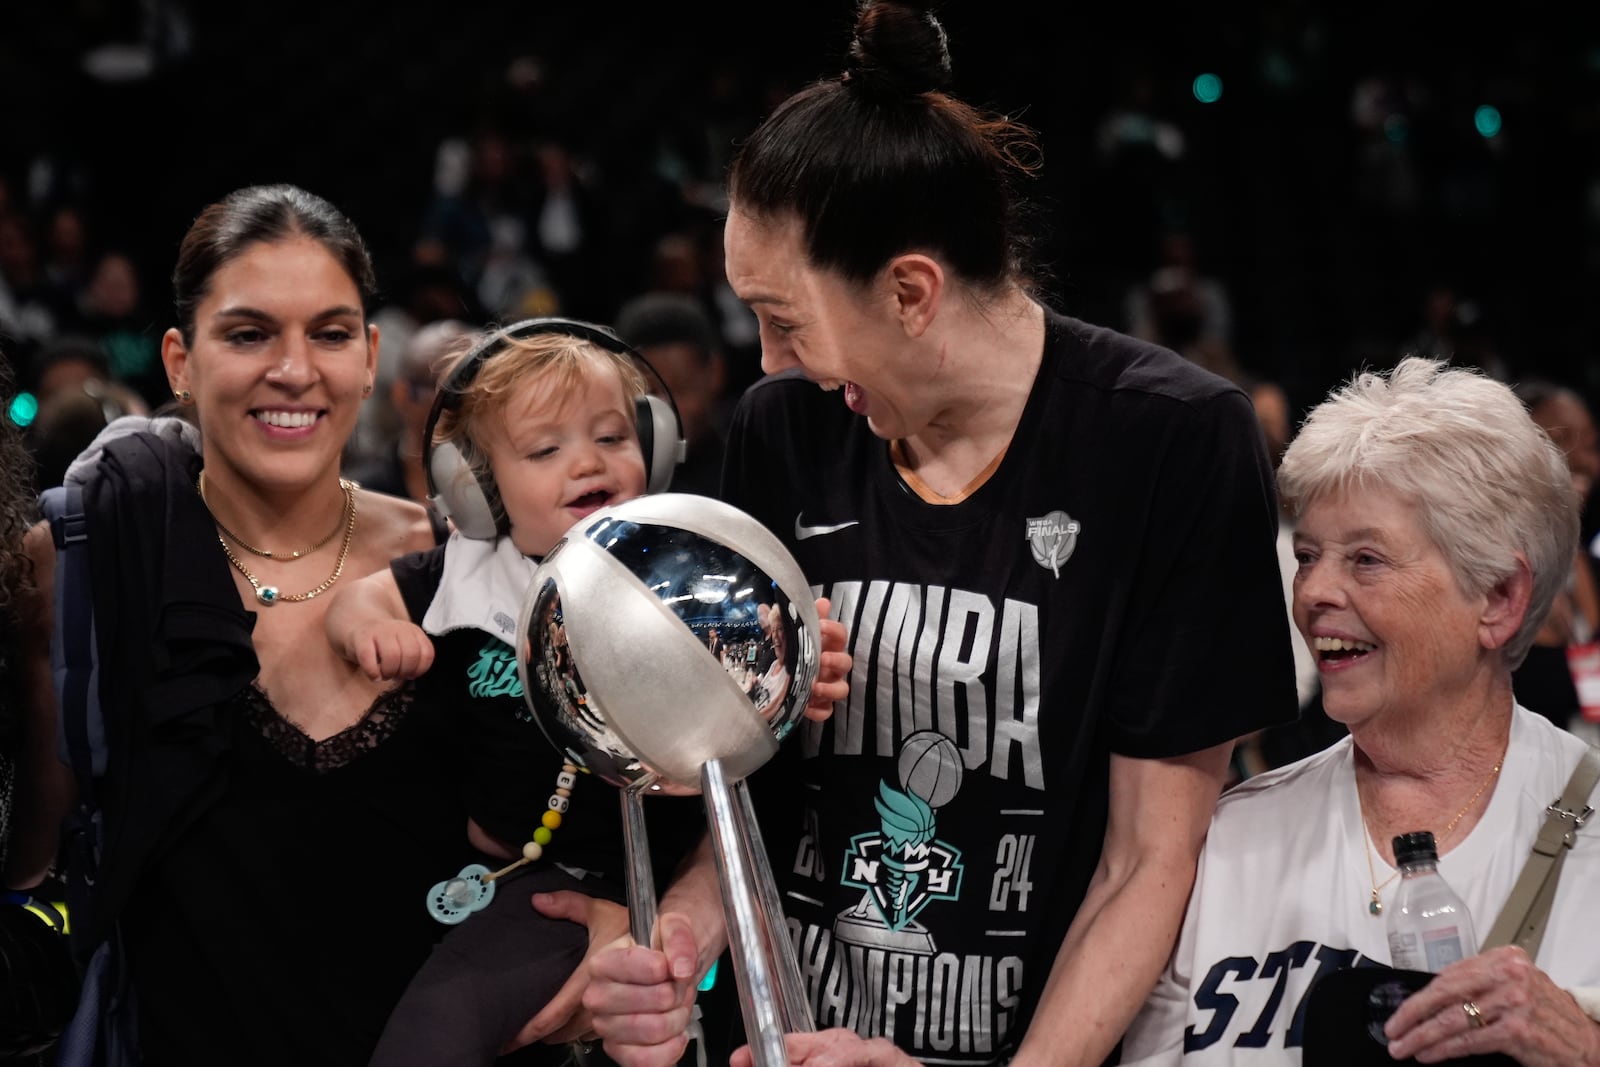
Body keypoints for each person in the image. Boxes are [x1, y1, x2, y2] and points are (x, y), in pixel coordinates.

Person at [581, 4, 1299, 1066]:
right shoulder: (786, 430)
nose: (771, 361)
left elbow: (1150, 857)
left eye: (786, 319)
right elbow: (751, 789)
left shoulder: (1172, 439)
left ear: (911, 290)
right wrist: (685, 930)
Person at [6, 183, 603, 1066]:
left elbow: (576, 830)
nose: (295, 369)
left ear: (369, 355)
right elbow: (33, 873)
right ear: (180, 360)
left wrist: (617, 919)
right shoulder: (80, 563)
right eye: (249, 334)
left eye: (328, 333)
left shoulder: (472, 568)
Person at [324, 319, 854, 1067]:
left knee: (433, 1033)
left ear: (659, 444)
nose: (586, 462)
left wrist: (808, 665)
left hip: (602, 888)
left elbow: (774, 638)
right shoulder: (470, 570)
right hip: (501, 877)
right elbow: (356, 602)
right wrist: (375, 631)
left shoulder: (679, 563)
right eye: (545, 450)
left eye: (611, 438)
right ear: (477, 488)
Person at [1119, 357, 1600, 1065]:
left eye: (1365, 559)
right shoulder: (1224, 839)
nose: (1313, 590)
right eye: (1308, 554)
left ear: (1499, 597)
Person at [1511, 380, 1600, 734]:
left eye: (1591, 444)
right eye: (1558, 440)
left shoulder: (1593, 569)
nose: (1578, 458)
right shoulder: (1482, 583)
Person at [346, 317, 478, 506]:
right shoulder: (360, 496)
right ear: (402, 395)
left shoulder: (506, 486)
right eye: (451, 389)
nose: (469, 400)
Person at [614, 291, 731, 497]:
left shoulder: (749, 470)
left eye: (681, 389)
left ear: (715, 373)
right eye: (649, 393)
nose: (666, 407)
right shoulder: (614, 487)